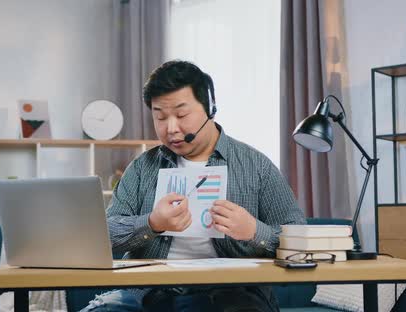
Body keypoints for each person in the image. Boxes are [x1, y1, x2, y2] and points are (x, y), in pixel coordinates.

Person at [81, 60, 305, 312]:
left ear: (210, 108)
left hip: (232, 293)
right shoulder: (142, 168)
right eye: (160, 117)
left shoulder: (257, 166)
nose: (171, 128)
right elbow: (106, 236)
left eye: (181, 114)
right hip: (148, 292)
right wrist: (152, 223)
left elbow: (299, 240)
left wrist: (254, 230)